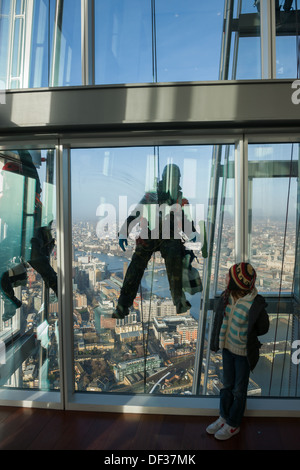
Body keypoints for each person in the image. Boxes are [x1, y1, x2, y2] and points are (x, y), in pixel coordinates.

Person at [112, 163, 206, 319]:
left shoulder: (176, 199)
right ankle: (123, 304)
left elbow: (184, 219)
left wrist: (192, 232)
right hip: (152, 234)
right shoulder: (154, 196)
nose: (175, 182)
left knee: (173, 260)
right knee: (136, 266)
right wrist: (123, 232)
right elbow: (136, 213)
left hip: (168, 236)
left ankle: (178, 300)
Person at [206, 262, 269, 441]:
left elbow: (263, 327)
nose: (225, 278)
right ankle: (224, 417)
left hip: (243, 353)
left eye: (228, 276)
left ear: (236, 281)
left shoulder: (254, 304)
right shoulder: (227, 297)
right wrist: (215, 343)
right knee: (227, 385)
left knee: (239, 390)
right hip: (227, 348)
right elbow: (219, 320)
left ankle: (233, 424)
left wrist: (248, 333)